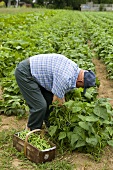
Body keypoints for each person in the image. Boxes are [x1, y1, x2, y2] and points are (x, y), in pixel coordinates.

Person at [15, 53, 96, 131]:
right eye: (81, 86)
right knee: (40, 106)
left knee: (49, 101)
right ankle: (32, 131)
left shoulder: (75, 70)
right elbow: (57, 102)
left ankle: (49, 126)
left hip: (38, 74)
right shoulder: (66, 77)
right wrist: (65, 115)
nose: (79, 87)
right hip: (25, 73)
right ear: (81, 80)